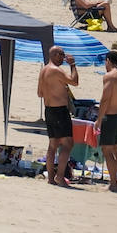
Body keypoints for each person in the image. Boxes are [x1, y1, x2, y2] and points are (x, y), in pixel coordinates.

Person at [37, 45, 79, 186]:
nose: (63, 57)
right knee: (67, 144)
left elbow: (39, 93)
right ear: (54, 55)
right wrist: (73, 65)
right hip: (59, 110)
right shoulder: (56, 70)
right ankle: (59, 177)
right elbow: (75, 81)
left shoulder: (43, 70)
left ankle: (51, 178)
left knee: (53, 144)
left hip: (49, 110)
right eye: (61, 55)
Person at [95, 49, 117, 192]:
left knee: (107, 150)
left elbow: (105, 98)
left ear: (108, 61)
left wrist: (99, 118)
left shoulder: (110, 76)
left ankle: (113, 183)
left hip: (110, 117)